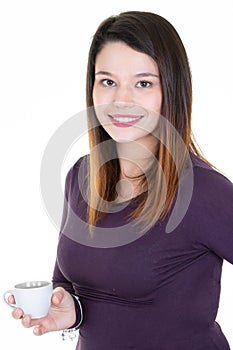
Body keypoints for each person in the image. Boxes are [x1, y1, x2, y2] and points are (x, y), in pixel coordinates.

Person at [9, 11, 233, 350]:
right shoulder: (81, 178)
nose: (121, 100)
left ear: (170, 90)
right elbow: (69, 282)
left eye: (143, 83)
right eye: (108, 81)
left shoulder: (204, 191)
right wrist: (70, 310)